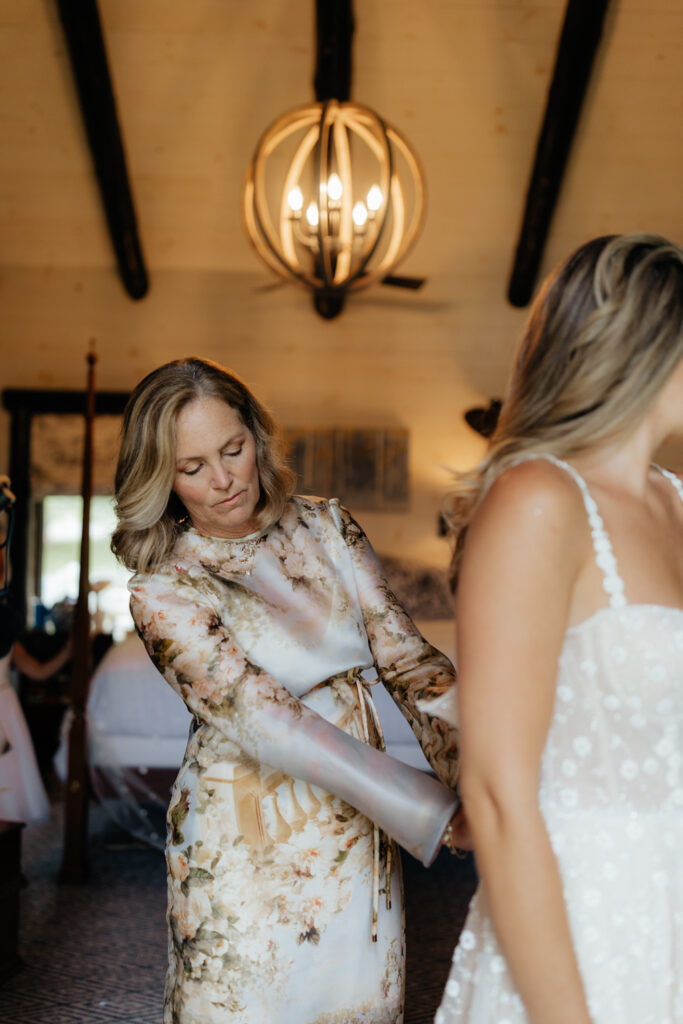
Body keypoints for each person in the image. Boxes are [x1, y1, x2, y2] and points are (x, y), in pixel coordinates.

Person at [111, 357, 463, 1024]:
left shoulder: (327, 527)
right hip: (239, 826)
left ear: (256, 437)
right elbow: (263, 718)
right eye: (192, 468)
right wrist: (435, 813)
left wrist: (478, 781)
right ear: (162, 479)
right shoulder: (160, 589)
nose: (222, 481)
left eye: (233, 450)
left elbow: (410, 661)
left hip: (351, 825)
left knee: (351, 1005)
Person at [424, 233, 683, 1024]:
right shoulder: (537, 501)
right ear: (648, 346)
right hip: (580, 929)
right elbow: (497, 795)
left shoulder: (676, 500)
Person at [0, 586, 72, 825]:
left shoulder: (7, 634)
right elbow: (39, 673)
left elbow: (39, 672)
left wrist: (68, 650)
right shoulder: (9, 633)